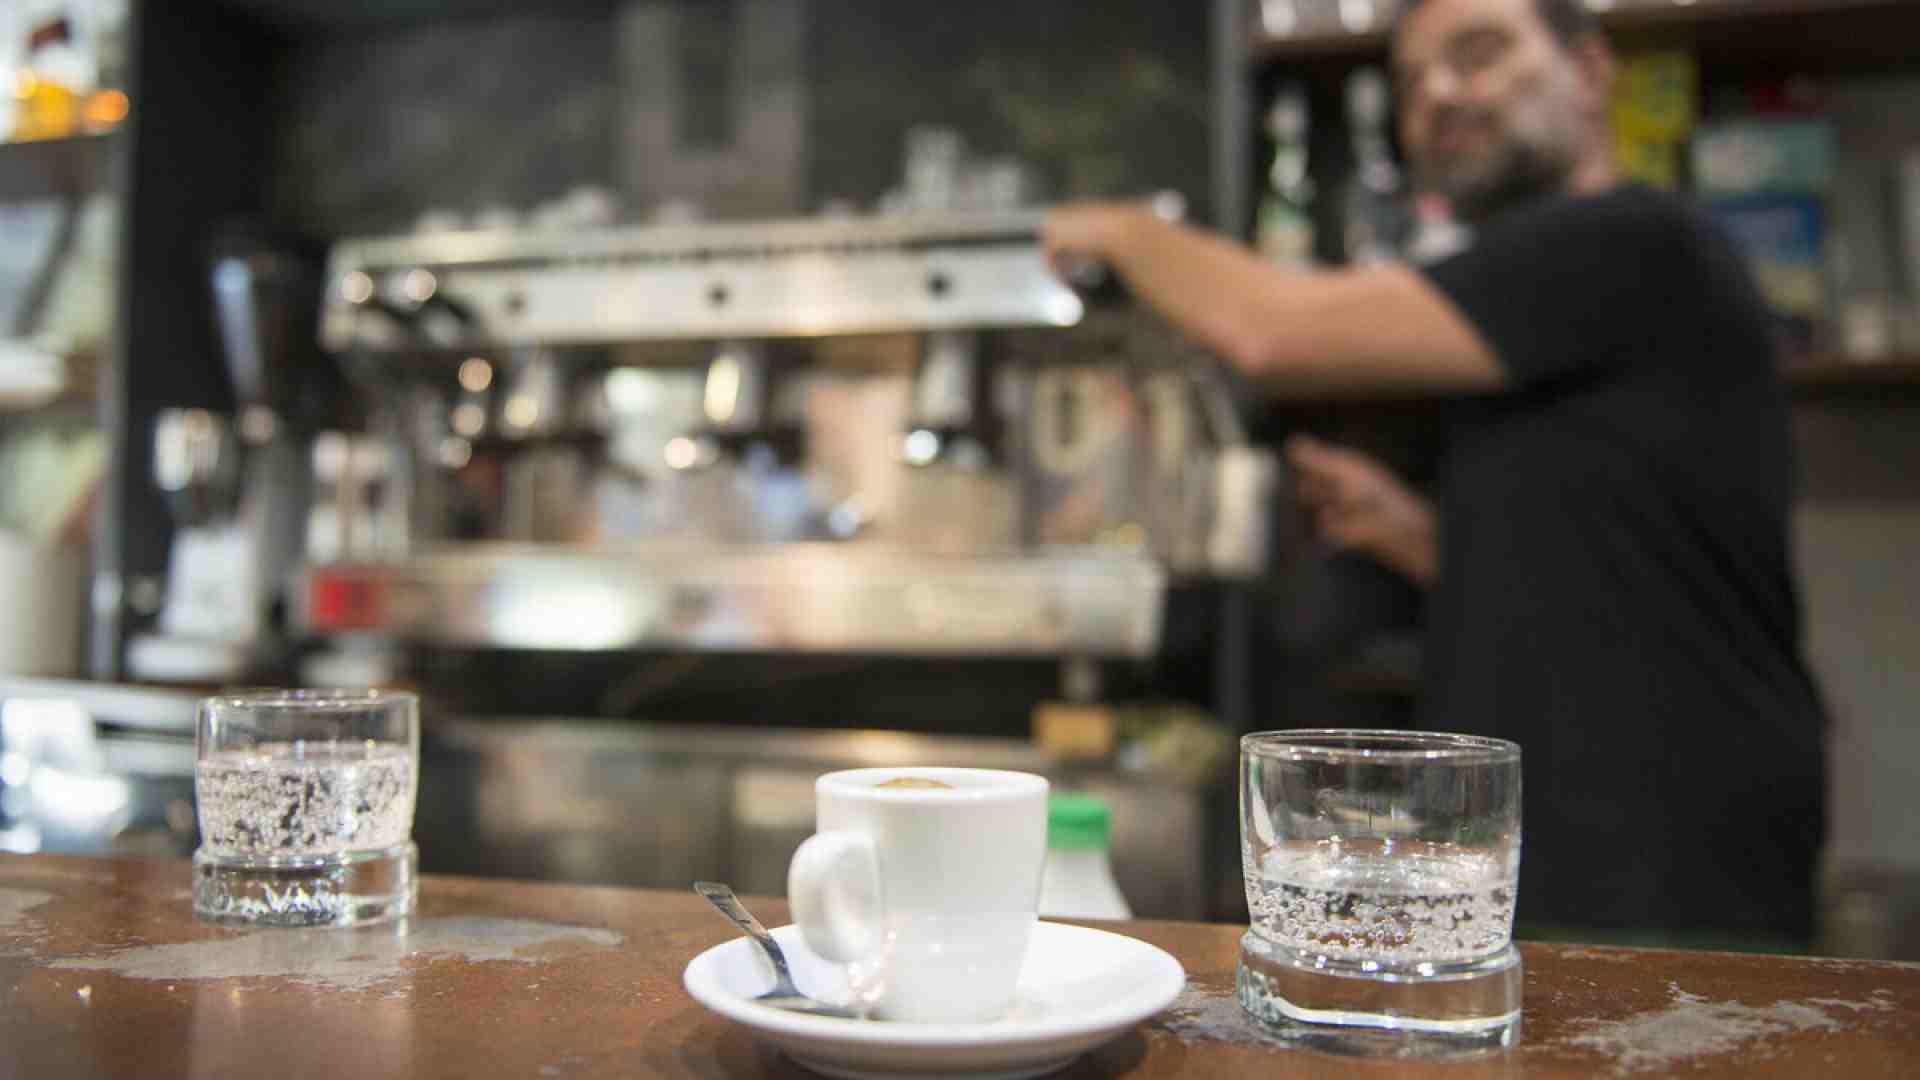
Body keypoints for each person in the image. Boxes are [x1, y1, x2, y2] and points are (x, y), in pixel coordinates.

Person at [1043, 0, 1826, 945]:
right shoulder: (1544, 298)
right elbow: (1608, 568)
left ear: (1589, 73)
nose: (1440, 94)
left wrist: (1127, 232)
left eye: (1479, 53)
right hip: (1576, 824)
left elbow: (1274, 333)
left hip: (1667, 833)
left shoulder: (1631, 239)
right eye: (1412, 80)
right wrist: (1418, 537)